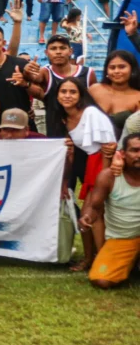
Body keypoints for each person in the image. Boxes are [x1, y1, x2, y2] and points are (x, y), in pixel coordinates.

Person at [48, 77, 116, 269]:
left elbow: (107, 147)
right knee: (88, 217)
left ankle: (102, 262)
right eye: (63, 92)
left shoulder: (91, 113)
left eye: (72, 92)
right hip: (90, 165)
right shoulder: (63, 118)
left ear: (81, 95)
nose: (67, 96)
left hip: (103, 164)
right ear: (57, 95)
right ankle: (90, 259)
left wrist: (103, 181)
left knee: (91, 214)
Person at [81, 133, 140, 289]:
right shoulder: (109, 177)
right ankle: (131, 261)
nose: (139, 155)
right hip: (123, 238)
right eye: (135, 150)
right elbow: (95, 207)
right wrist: (87, 217)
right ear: (122, 154)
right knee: (102, 280)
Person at [88, 50, 140, 139]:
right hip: (89, 145)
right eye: (112, 67)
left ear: (132, 69)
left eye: (122, 67)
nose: (116, 71)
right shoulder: (94, 89)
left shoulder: (137, 97)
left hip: (121, 149)